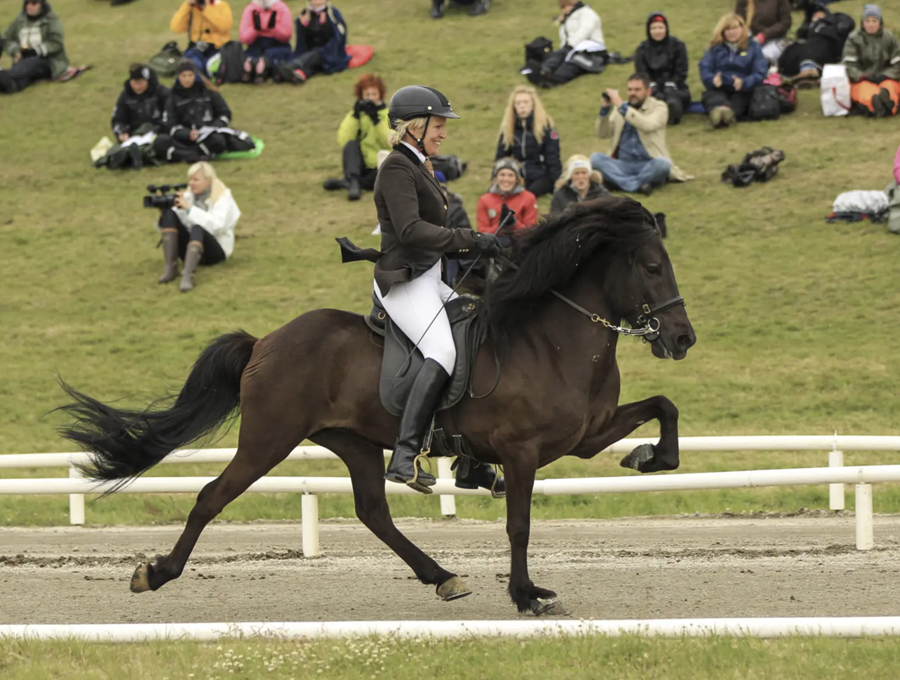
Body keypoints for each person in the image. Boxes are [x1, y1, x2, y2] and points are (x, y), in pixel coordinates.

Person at [372, 85, 501, 493]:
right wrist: (468, 237)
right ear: (415, 126)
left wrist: (477, 244)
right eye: (438, 126)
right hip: (404, 281)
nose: (443, 133)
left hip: (431, 279)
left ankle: (469, 463)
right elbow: (410, 230)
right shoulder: (397, 167)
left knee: (474, 336)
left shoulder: (420, 164)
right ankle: (405, 455)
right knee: (443, 351)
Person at [590, 73, 690, 196]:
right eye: (630, 89)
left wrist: (623, 108)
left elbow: (647, 125)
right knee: (595, 159)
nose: (632, 93)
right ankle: (638, 185)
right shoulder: (620, 109)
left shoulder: (660, 107)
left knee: (664, 164)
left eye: (637, 90)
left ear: (648, 91)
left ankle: (618, 182)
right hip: (623, 164)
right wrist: (604, 110)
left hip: (649, 163)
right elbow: (602, 134)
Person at [156, 162, 240, 293]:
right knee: (169, 213)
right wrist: (165, 212)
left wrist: (189, 208)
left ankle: (187, 276)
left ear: (208, 180)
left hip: (216, 252)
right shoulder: (188, 196)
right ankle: (170, 268)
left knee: (197, 228)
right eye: (190, 179)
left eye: (196, 179)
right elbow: (177, 225)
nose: (191, 183)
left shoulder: (223, 198)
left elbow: (216, 226)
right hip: (191, 249)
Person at [155, 60, 255, 163]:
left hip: (208, 135)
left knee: (218, 141)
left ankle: (186, 154)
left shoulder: (209, 92)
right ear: (178, 77)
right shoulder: (172, 97)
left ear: (196, 75)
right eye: (183, 76)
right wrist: (187, 134)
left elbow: (225, 113)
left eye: (190, 75)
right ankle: (195, 154)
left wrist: (211, 128)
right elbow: (170, 123)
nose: (187, 79)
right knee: (160, 141)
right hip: (184, 138)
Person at [323, 73, 390, 201]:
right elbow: (344, 140)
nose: (371, 98)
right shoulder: (356, 114)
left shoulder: (388, 115)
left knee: (385, 174)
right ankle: (353, 181)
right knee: (351, 145)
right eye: (367, 95)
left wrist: (376, 121)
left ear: (380, 95)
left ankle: (351, 183)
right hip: (360, 164)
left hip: (378, 165)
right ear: (361, 96)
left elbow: (390, 142)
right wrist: (355, 116)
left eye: (374, 95)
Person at [699, 14, 768, 127]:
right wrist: (712, 80)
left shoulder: (753, 47)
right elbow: (705, 67)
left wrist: (744, 82)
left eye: (735, 28)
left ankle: (727, 116)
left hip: (743, 89)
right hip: (719, 87)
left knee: (740, 101)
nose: (732, 32)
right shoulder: (714, 47)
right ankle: (720, 114)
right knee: (713, 98)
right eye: (728, 29)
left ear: (742, 28)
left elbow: (760, 73)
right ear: (722, 31)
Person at [495, 85, 562, 198]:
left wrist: (557, 184)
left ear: (533, 105)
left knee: (527, 196)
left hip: (541, 175)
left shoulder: (546, 128)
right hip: (517, 174)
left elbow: (553, 158)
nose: (522, 106)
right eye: (518, 103)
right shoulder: (507, 129)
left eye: (526, 102)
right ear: (513, 107)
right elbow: (501, 158)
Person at [527, 0, 606, 88]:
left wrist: (569, 47)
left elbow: (584, 31)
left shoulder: (587, 13)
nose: (563, 10)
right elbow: (565, 39)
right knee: (558, 57)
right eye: (562, 8)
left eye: (565, 7)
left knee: (571, 63)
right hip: (572, 49)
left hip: (590, 51)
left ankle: (552, 79)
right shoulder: (568, 19)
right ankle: (542, 72)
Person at [105, 64, 171, 170]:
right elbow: (118, 119)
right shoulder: (125, 96)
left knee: (157, 144)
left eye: (140, 83)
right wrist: (121, 133)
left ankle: (132, 157)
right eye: (134, 83)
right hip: (133, 135)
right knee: (115, 147)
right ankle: (117, 158)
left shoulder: (162, 94)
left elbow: (169, 118)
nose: (137, 87)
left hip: (156, 133)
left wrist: (156, 129)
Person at [842, 5, 900, 117]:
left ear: (880, 22)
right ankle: (875, 107)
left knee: (890, 88)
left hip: (887, 78)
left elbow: (898, 64)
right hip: (862, 80)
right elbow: (848, 65)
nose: (871, 24)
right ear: (862, 22)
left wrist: (886, 75)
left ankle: (889, 106)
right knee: (866, 93)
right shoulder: (853, 39)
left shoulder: (890, 38)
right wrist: (864, 76)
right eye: (867, 21)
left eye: (874, 21)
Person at [0, 0, 68, 95]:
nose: (30, 6)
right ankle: (9, 84)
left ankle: (5, 77)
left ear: (42, 5)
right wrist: (16, 51)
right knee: (24, 70)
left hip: (48, 61)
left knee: (30, 64)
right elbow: (7, 39)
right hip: (22, 59)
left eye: (34, 3)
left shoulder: (51, 20)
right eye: (27, 3)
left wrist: (35, 51)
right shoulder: (20, 20)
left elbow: (56, 43)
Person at [634, 12, 691, 125]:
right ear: (648, 30)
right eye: (653, 28)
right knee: (649, 99)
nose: (657, 31)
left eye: (660, 27)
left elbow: (681, 70)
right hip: (651, 88)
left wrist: (672, 83)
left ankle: (672, 112)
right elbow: (641, 72)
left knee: (674, 98)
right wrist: (652, 86)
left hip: (675, 86)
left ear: (666, 28)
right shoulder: (642, 49)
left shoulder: (678, 46)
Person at [275, 0, 350, 84]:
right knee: (311, 58)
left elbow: (339, 37)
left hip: (328, 53)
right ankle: (297, 75)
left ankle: (290, 68)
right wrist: (303, 26)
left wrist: (325, 26)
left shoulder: (333, 13)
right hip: (311, 52)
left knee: (315, 55)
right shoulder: (305, 14)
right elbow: (302, 43)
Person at [778, 2, 855, 81]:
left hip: (829, 45)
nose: (817, 15)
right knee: (794, 48)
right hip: (810, 47)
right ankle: (794, 72)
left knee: (814, 46)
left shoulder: (835, 20)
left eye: (819, 13)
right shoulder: (808, 30)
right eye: (814, 15)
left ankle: (809, 70)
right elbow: (801, 36)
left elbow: (848, 22)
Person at [476, 158, 540, 239]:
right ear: (496, 178)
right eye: (502, 175)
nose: (506, 179)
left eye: (510, 175)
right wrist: (500, 225)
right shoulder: (484, 200)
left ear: (517, 178)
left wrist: (514, 224)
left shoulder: (528, 198)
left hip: (520, 244)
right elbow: (482, 234)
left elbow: (531, 232)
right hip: (494, 244)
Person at [170, 0, 234, 75]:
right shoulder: (192, 7)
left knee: (211, 67)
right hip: (196, 48)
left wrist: (206, 8)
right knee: (191, 64)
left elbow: (225, 26)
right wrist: (186, 6)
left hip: (217, 48)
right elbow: (176, 28)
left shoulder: (221, 5)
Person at [239, 0, 292, 83]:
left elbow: (286, 36)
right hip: (257, 44)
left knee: (276, 55)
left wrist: (274, 28)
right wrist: (255, 29)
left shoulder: (281, 8)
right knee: (250, 55)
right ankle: (252, 67)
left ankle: (261, 66)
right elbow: (244, 38)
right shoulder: (250, 9)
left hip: (277, 44)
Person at [735, 0, 793, 65]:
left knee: (763, 58)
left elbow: (785, 23)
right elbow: (739, 21)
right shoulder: (743, 2)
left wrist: (765, 34)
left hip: (775, 39)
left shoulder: (780, 1)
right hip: (750, 38)